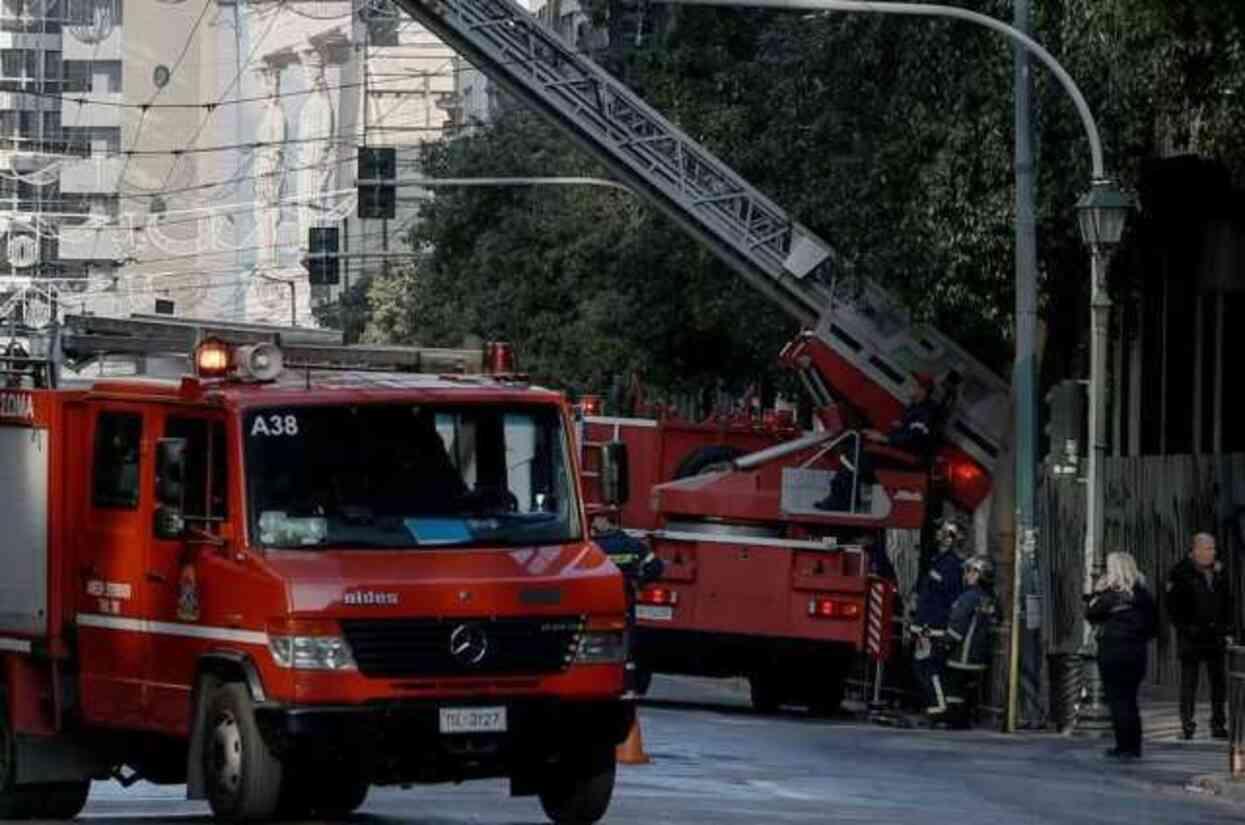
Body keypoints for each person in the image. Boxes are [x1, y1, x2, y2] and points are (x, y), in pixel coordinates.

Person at [815, 372, 940, 512]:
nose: (908, 387)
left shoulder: (927, 412)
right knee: (853, 448)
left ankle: (840, 502)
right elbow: (907, 432)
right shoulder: (915, 407)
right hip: (901, 451)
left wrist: (885, 438)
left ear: (921, 390)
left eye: (913, 385)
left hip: (909, 458)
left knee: (857, 457)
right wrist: (886, 433)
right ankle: (845, 498)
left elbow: (915, 439)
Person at [1086, 551, 1158, 760]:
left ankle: (1123, 747)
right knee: (1131, 700)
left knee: (1118, 701)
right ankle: (1133, 747)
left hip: (1113, 653)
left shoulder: (1109, 595)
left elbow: (1090, 614)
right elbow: (1154, 626)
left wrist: (1098, 592)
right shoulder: (1143, 595)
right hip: (1136, 654)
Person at [1166, 532, 1234, 740]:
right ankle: (1187, 725)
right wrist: (1187, 628)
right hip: (1192, 638)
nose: (1213, 553)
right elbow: (1173, 608)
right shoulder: (1180, 572)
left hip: (1215, 636)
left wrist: (1227, 629)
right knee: (1189, 683)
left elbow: (1227, 602)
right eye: (1208, 549)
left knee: (1218, 683)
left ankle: (1218, 724)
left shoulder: (1219, 572)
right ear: (1196, 550)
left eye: (1213, 549)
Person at [911, 519, 966, 718]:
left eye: (941, 533)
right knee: (923, 667)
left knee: (929, 668)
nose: (937, 536)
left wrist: (927, 626)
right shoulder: (938, 561)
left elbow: (949, 599)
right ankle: (935, 707)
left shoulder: (951, 566)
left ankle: (939, 708)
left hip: (933, 627)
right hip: (926, 625)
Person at [934, 555, 997, 728]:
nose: (966, 575)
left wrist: (944, 643)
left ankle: (954, 721)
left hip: (961, 654)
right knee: (968, 688)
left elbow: (957, 624)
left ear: (978, 574)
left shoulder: (968, 597)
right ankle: (966, 719)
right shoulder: (989, 598)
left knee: (954, 688)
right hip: (979, 655)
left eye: (970, 571)